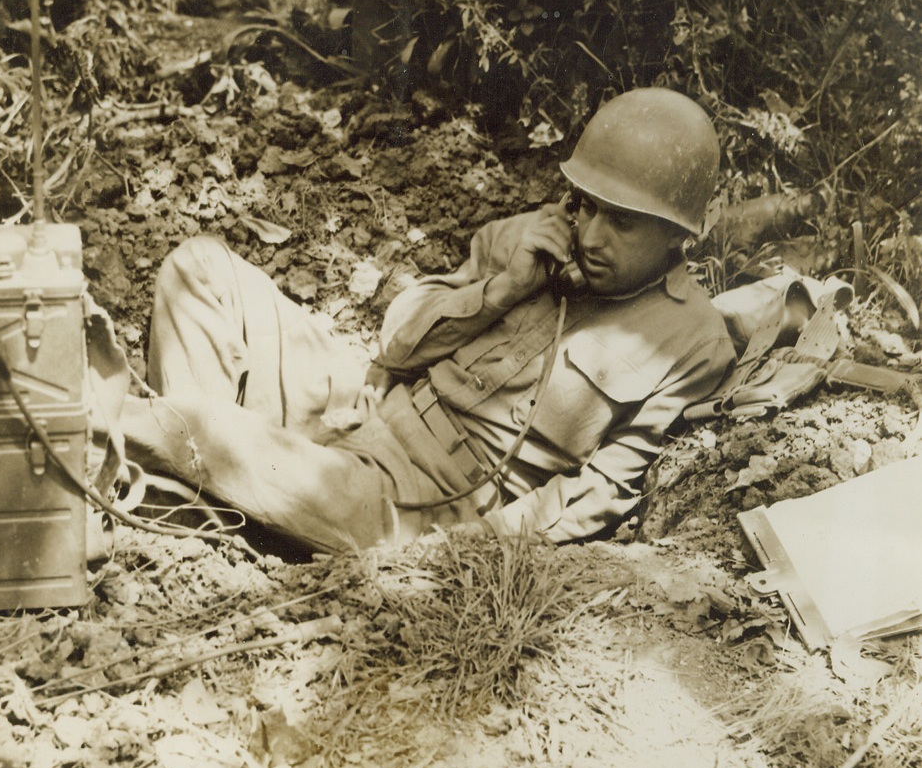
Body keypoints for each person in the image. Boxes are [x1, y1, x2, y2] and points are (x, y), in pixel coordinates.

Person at [117, 87, 736, 554]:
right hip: (365, 405)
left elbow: (599, 491)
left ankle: (158, 449)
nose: (592, 235)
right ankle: (212, 494)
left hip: (413, 501)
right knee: (198, 268)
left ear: (678, 234)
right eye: (585, 207)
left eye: (621, 222)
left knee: (199, 425)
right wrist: (504, 289)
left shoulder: (692, 343)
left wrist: (460, 552)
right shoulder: (534, 240)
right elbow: (397, 344)